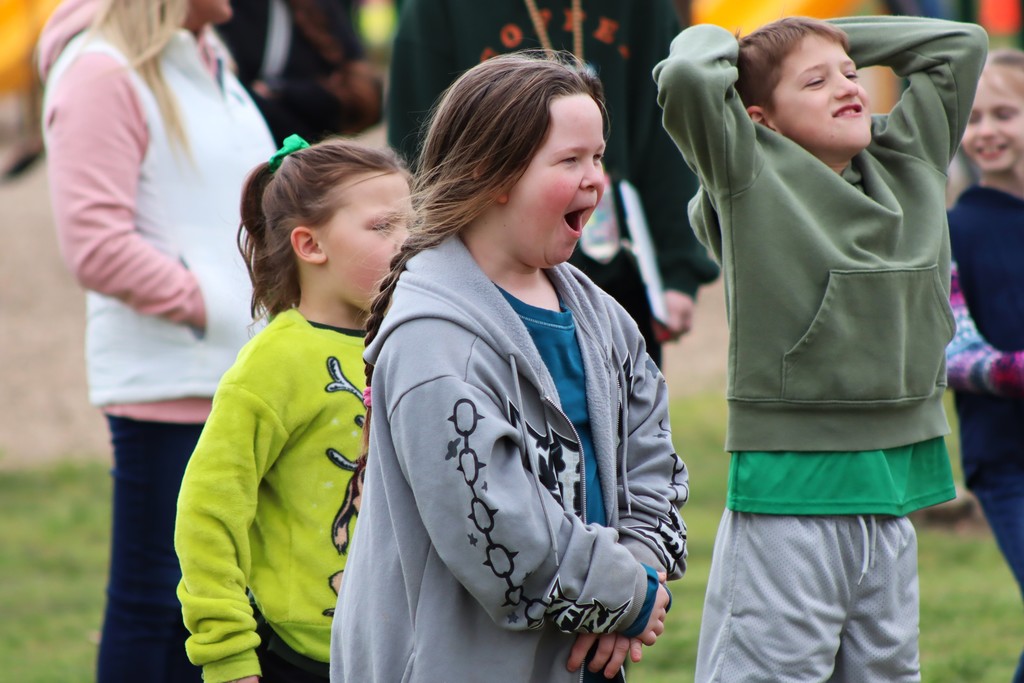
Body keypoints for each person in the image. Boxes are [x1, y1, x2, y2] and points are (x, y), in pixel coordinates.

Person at [330, 52, 689, 683]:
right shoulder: (432, 341)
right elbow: (496, 528)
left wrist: (642, 575)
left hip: (580, 654)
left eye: (599, 157)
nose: (596, 180)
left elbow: (652, 459)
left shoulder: (602, 317)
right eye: (570, 160)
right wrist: (623, 597)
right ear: (493, 175)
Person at [655, 15, 987, 681]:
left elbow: (962, 45)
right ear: (762, 118)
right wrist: (767, 43)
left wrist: (818, 41)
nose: (846, 85)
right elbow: (690, 73)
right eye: (816, 81)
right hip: (792, 490)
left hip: (893, 489)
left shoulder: (910, 156)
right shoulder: (746, 168)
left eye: (852, 72)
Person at [38, 0, 276, 680]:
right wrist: (216, 308)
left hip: (235, 375)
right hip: (174, 384)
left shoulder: (209, 60)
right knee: (155, 607)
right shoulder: (101, 71)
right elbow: (96, 245)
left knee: (218, 609)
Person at [175, 136, 410, 683]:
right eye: (382, 227)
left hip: (410, 654)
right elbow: (208, 513)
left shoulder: (414, 340)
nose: (409, 242)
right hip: (304, 661)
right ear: (310, 245)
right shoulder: (274, 363)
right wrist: (227, 650)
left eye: (411, 223)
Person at [385, 0, 719, 366]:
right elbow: (419, 148)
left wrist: (676, 268)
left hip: (621, 268)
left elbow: (666, 135)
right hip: (486, 275)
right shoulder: (439, 10)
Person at [946, 47, 1024, 683]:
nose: (988, 130)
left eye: (1006, 112)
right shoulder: (949, 231)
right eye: (974, 118)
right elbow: (952, 354)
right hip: (1006, 459)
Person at [215, 0, 383, 146]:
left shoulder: (320, 9)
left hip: (303, 151)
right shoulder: (224, 13)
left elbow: (363, 97)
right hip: (264, 141)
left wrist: (281, 92)